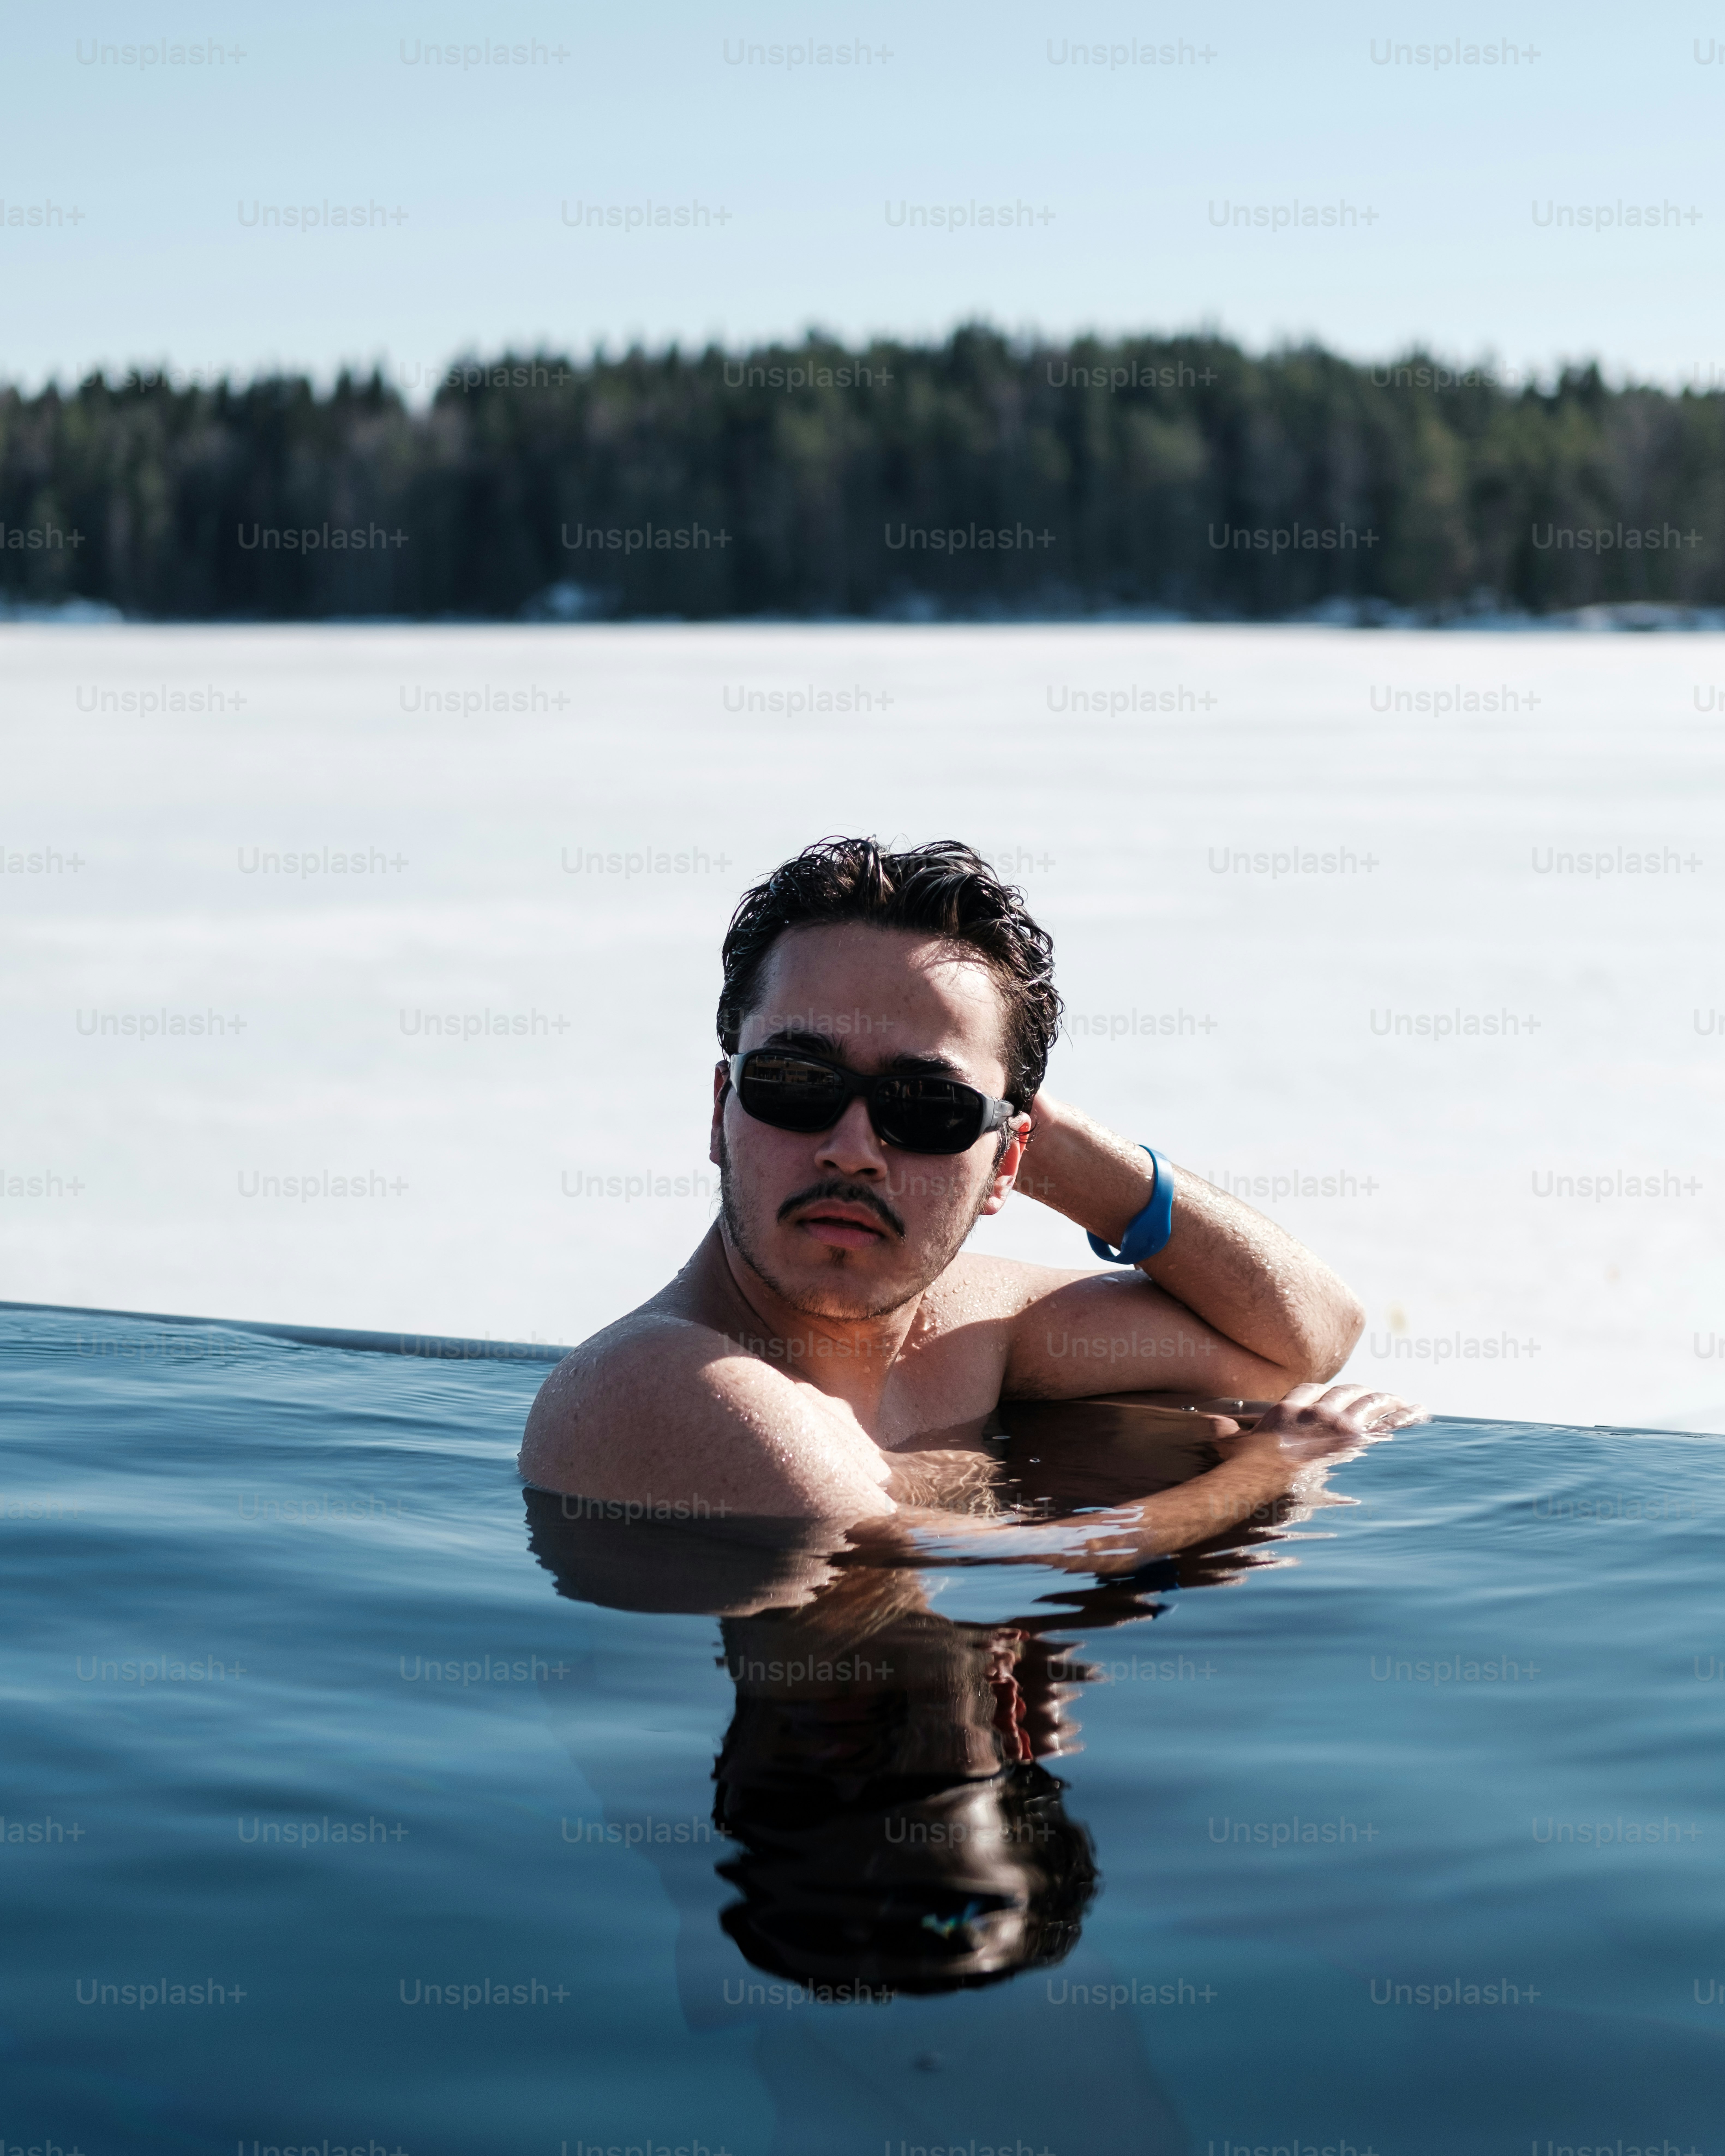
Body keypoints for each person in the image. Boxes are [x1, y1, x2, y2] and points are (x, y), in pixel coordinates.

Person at [520, 836, 1423, 1565]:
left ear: (1007, 1165)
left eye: (926, 1109)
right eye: (797, 1082)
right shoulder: (659, 1379)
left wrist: (1045, 1146)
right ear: (722, 1110)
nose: (850, 1149)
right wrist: (1273, 1465)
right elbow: (951, 1558)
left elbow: (1304, 1335)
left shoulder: (967, 1330)